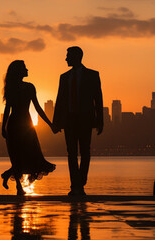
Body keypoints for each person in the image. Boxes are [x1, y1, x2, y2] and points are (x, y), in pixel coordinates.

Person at [52, 46, 104, 196]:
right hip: (69, 120)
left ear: (77, 56)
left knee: (85, 152)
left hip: (85, 119)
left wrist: (100, 121)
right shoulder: (64, 77)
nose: (66, 58)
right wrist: (57, 122)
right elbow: (60, 100)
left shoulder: (92, 75)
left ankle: (80, 182)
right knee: (71, 153)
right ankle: (75, 185)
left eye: (68, 56)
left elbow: (98, 99)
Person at [1, 60, 57, 196]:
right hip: (14, 125)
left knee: (33, 154)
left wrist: (50, 124)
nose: (27, 70)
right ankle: (19, 188)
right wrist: (3, 127)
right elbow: (7, 109)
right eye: (24, 68)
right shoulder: (11, 88)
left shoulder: (30, 87)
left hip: (27, 125)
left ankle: (8, 173)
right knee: (16, 155)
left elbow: (37, 107)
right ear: (18, 71)